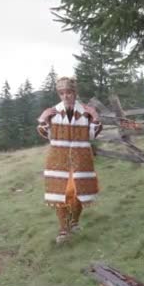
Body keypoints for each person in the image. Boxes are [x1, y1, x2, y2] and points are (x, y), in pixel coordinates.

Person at [36, 76, 103, 244]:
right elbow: (46, 134)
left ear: (75, 92)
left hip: (81, 159)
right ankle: (63, 229)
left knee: (78, 192)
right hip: (58, 160)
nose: (66, 96)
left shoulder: (85, 112)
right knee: (61, 193)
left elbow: (92, 135)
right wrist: (42, 118)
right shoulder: (53, 113)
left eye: (69, 92)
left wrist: (95, 117)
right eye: (62, 93)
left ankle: (74, 222)